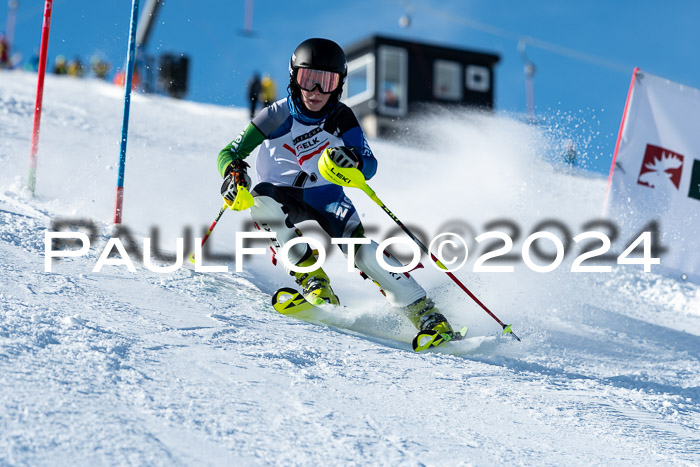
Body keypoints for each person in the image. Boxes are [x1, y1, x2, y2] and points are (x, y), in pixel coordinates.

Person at [216, 38, 454, 338]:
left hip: (326, 195)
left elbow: (369, 164)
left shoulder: (341, 116)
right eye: (308, 80)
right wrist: (232, 173)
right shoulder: (275, 115)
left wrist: (354, 159)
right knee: (260, 201)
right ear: (294, 78)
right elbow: (229, 153)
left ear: (339, 84)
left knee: (362, 251)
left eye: (326, 82)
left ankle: (428, 315)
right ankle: (315, 284)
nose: (316, 92)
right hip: (281, 193)